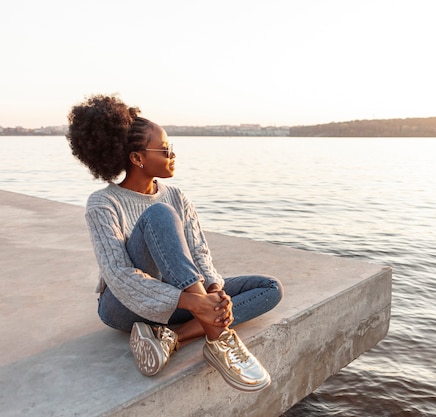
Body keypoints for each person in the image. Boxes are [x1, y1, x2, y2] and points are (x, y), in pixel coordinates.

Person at [66, 94, 283, 392]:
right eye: (165, 149)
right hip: (124, 306)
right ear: (137, 158)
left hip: (179, 301)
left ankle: (172, 338)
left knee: (269, 288)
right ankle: (218, 338)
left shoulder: (177, 195)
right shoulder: (103, 203)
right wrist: (195, 302)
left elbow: (199, 253)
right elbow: (119, 276)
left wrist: (214, 293)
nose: (173, 155)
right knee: (160, 214)